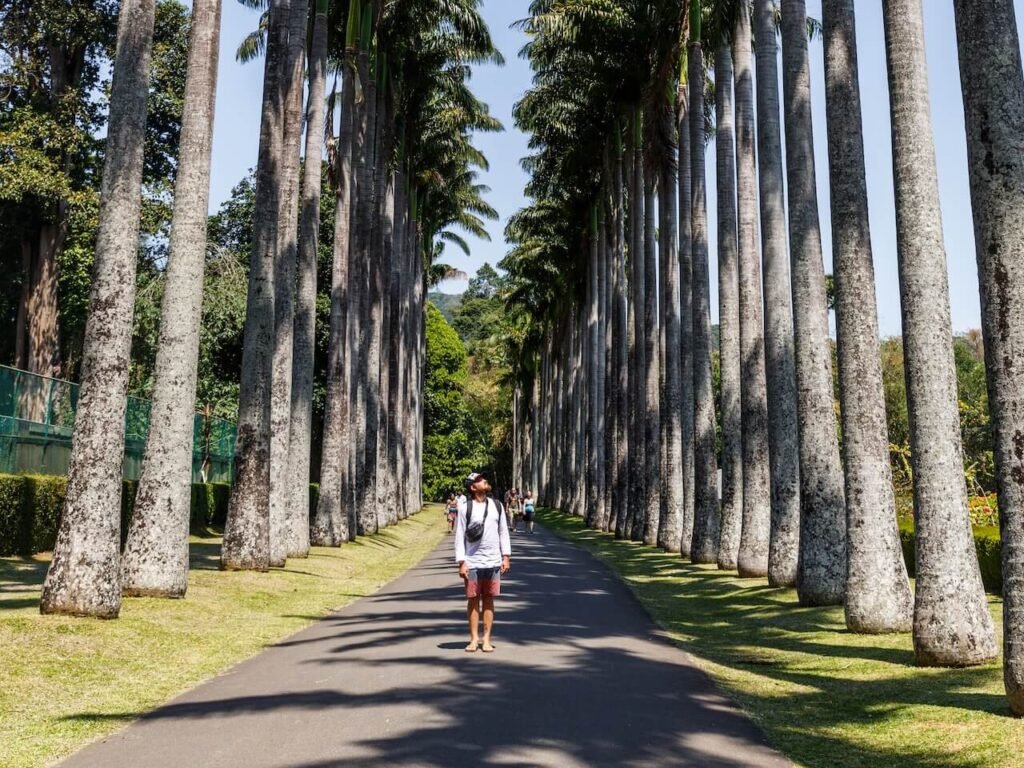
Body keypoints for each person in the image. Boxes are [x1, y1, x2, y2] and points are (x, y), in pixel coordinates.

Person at [455, 471, 511, 653]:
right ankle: (473, 639)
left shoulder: (497, 506)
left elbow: (503, 532)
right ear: (473, 487)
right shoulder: (465, 508)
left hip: (493, 562)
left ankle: (486, 639)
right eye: (480, 480)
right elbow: (459, 536)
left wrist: (506, 556)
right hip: (472, 562)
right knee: (473, 600)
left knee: (488, 599)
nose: (484, 481)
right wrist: (461, 562)